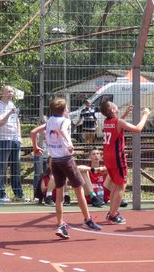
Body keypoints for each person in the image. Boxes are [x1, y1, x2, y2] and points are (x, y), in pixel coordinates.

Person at [30, 97, 102, 239]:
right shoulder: (65, 120)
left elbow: (33, 132)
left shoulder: (49, 121)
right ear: (64, 110)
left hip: (55, 161)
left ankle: (60, 225)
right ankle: (87, 220)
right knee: (79, 190)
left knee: (60, 194)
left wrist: (35, 146)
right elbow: (63, 130)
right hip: (66, 160)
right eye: (67, 108)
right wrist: (69, 143)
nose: (68, 110)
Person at [100, 101, 151, 224]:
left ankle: (112, 212)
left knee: (116, 185)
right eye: (113, 104)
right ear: (112, 110)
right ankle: (112, 215)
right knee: (121, 185)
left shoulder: (107, 122)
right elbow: (137, 129)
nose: (115, 104)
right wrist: (145, 115)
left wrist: (125, 114)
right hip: (117, 158)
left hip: (108, 157)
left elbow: (117, 125)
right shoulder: (118, 122)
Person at [0, 85, 25, 202]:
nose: (11, 93)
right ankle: (1, 194)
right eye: (9, 91)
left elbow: (17, 121)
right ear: (3, 93)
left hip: (15, 139)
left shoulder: (13, 105)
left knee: (16, 167)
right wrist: (9, 113)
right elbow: (0, 123)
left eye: (12, 91)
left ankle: (18, 194)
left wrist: (19, 137)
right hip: (4, 139)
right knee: (2, 167)